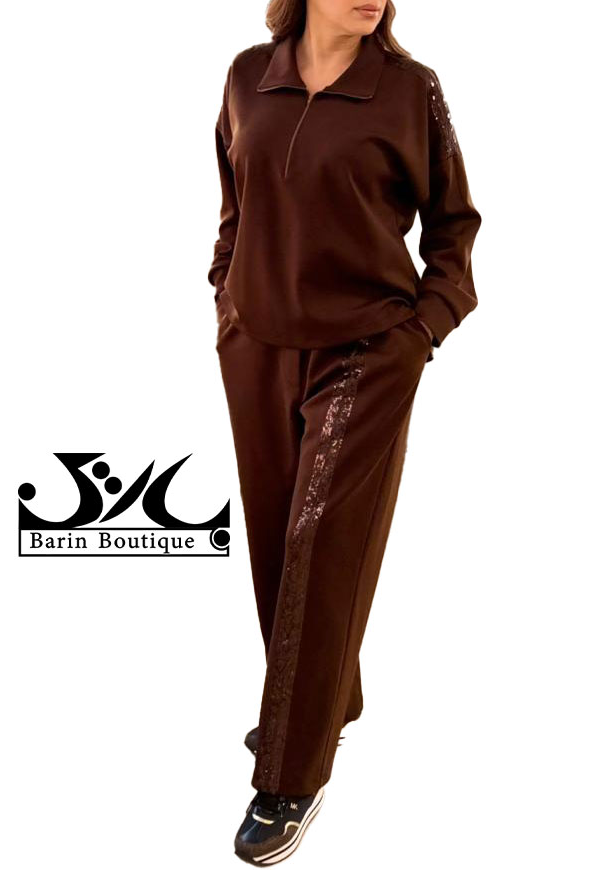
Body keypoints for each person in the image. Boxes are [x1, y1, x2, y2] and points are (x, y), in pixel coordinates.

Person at [207, 0, 482, 863]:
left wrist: (424, 329)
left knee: (321, 541)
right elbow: (234, 205)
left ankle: (293, 772)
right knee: (274, 539)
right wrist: (226, 297)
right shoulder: (247, 77)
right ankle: (327, 700)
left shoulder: (410, 91)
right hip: (256, 343)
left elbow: (455, 227)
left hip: (365, 351)